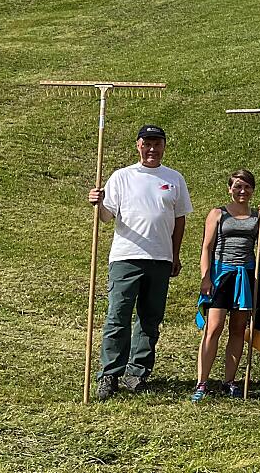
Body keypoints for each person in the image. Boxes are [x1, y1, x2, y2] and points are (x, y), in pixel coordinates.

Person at [87, 124, 192, 400]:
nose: (152, 149)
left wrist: (175, 254)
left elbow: (179, 220)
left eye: (157, 144)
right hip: (126, 257)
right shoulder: (122, 176)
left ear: (164, 146)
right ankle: (110, 374)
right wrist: (98, 203)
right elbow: (107, 217)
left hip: (160, 258)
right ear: (138, 146)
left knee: (150, 319)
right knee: (118, 316)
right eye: (147, 144)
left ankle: (137, 373)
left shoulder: (174, 178)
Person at [191, 169, 260, 401]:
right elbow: (206, 247)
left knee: (238, 329)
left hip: (245, 275)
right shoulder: (218, 213)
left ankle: (229, 381)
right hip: (222, 274)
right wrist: (206, 277)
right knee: (213, 328)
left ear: (253, 190)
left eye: (247, 187)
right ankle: (202, 382)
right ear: (230, 189)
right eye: (237, 186)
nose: (242, 191)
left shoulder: (258, 216)